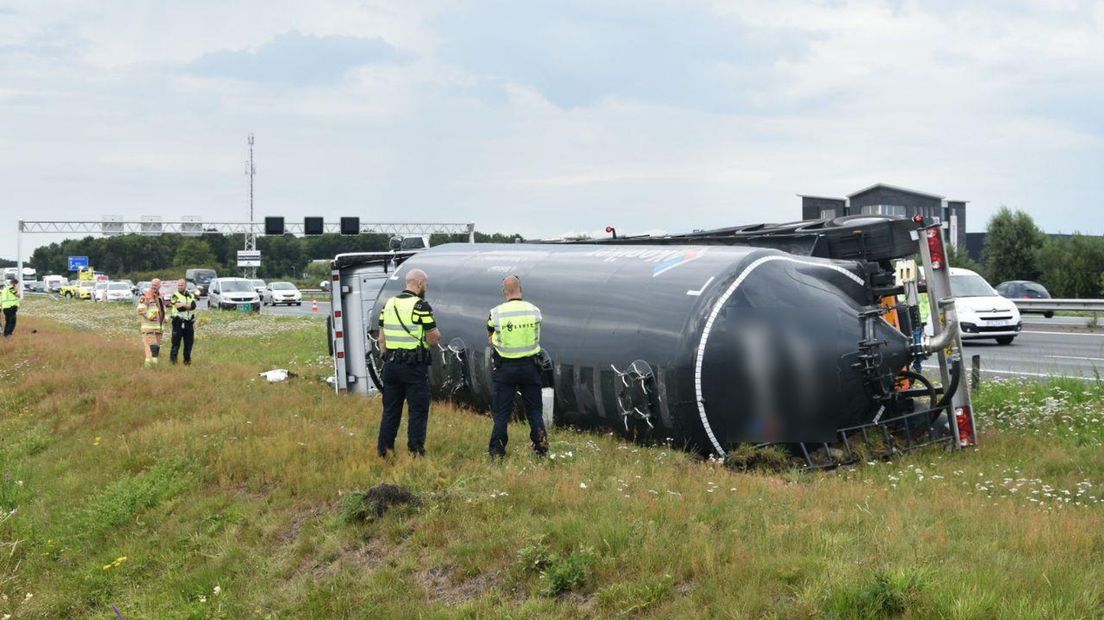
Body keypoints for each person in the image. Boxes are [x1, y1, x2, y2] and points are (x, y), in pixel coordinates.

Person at [376, 268, 441, 458]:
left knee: (390, 410)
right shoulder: (421, 306)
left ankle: (385, 451)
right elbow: (433, 337)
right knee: (418, 409)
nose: (425, 288)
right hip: (413, 367)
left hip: (391, 365)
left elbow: (381, 339)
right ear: (419, 284)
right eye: (425, 285)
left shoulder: (388, 304)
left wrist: (387, 357)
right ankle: (416, 451)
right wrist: (433, 340)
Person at [486, 275, 548, 458]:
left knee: (502, 412)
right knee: (535, 411)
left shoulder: (496, 313)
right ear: (521, 289)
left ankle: (497, 450)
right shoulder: (534, 311)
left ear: (504, 291)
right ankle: (541, 447)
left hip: (506, 368)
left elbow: (490, 334)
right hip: (530, 367)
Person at [136, 279, 165, 368]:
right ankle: (149, 367)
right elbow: (140, 309)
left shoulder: (159, 297)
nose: (154, 286)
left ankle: (154, 366)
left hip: (158, 328)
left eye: (156, 285)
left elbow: (161, 310)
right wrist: (150, 316)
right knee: (150, 348)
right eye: (152, 284)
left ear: (160, 286)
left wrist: (165, 318)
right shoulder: (146, 296)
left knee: (156, 347)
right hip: (148, 328)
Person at [169, 278, 198, 365]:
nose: (179, 286)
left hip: (188, 322)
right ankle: (173, 362)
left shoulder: (190, 295)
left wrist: (184, 305)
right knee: (176, 343)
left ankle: (187, 362)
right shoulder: (174, 295)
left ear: (185, 286)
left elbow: (193, 306)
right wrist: (187, 305)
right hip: (178, 322)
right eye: (178, 285)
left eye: (181, 285)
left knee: (189, 343)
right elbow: (179, 308)